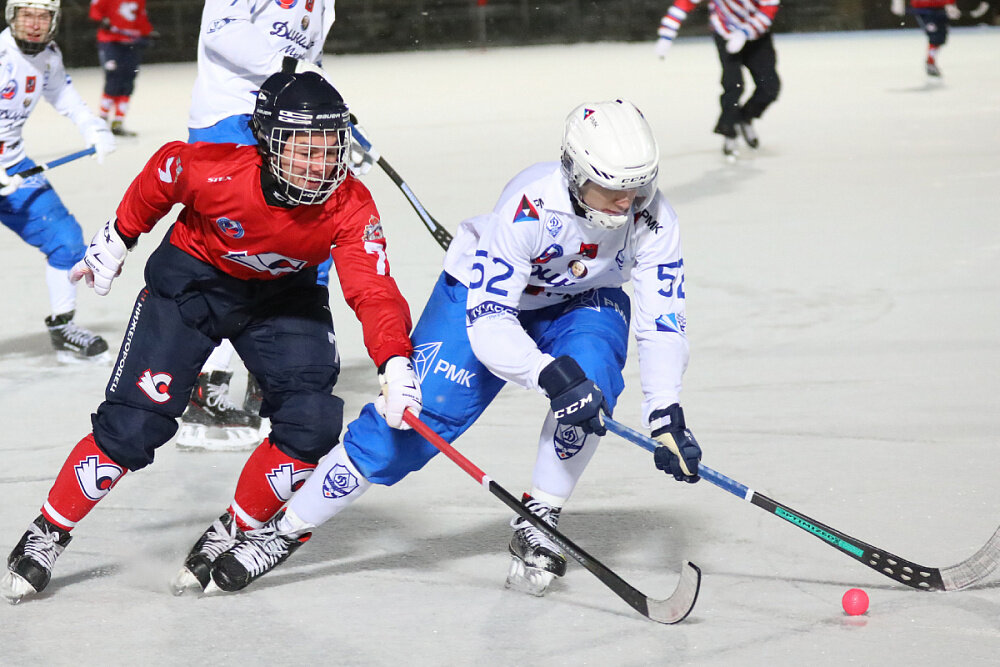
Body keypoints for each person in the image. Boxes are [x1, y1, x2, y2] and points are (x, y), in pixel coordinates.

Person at [195, 99, 703, 597]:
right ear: (574, 172)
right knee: (410, 421)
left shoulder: (654, 220)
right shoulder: (529, 208)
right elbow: (491, 326)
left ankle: (540, 516)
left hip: (585, 298)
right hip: (485, 303)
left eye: (639, 188)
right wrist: (545, 372)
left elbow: (663, 320)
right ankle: (286, 530)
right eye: (611, 188)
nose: (628, 202)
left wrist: (665, 412)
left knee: (589, 387)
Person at [0, 69, 421, 603]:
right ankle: (49, 531)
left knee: (311, 422)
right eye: (303, 150)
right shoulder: (217, 170)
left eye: (329, 148)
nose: (320, 166)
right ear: (268, 142)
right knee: (133, 426)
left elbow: (375, 289)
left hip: (282, 299)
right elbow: (162, 173)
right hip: (192, 286)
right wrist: (119, 235)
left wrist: (395, 361)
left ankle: (234, 529)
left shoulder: (349, 203)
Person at [179, 0, 375, 451]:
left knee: (307, 251)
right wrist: (289, 64)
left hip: (285, 127)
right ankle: (206, 389)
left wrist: (330, 127)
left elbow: (312, 65)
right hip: (231, 117)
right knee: (238, 255)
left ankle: (274, 381)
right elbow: (221, 29)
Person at [0, 0, 116, 362]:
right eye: (27, 15)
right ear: (12, 17)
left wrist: (92, 126)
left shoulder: (48, 55)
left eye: (43, 16)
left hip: (16, 169)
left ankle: (63, 325)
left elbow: (62, 94)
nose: (34, 23)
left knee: (67, 243)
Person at [655, 0, 781, 158]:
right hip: (725, 33)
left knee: (770, 86)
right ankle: (729, 133)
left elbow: (768, 9)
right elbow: (684, 3)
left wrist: (745, 33)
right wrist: (666, 35)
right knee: (733, 86)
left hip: (758, 36)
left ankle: (745, 118)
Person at [88, 0, 156, 137]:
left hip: (131, 44)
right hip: (111, 43)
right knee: (113, 79)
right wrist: (101, 20)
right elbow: (95, 11)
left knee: (128, 81)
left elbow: (140, 17)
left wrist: (147, 32)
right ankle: (102, 119)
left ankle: (118, 122)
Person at [891, 0, 962, 77]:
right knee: (934, 35)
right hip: (924, 10)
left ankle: (930, 61)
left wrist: (951, 4)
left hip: (940, 9)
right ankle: (930, 62)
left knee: (940, 37)